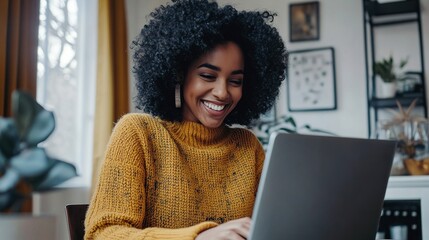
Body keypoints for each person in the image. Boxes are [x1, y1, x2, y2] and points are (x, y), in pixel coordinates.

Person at [84, 0, 287, 239]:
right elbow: (103, 234)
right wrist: (198, 237)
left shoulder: (247, 146)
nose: (222, 92)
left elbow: (273, 227)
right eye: (208, 75)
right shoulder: (138, 133)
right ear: (179, 74)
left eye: (235, 81)